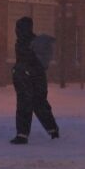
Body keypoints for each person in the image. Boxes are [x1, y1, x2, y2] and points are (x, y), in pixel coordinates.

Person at [10, 16, 59, 144]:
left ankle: (22, 135)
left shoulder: (25, 43)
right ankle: (53, 130)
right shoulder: (34, 42)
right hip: (37, 78)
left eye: (18, 27)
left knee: (25, 105)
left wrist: (19, 71)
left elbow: (26, 62)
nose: (16, 30)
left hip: (26, 79)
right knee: (40, 104)